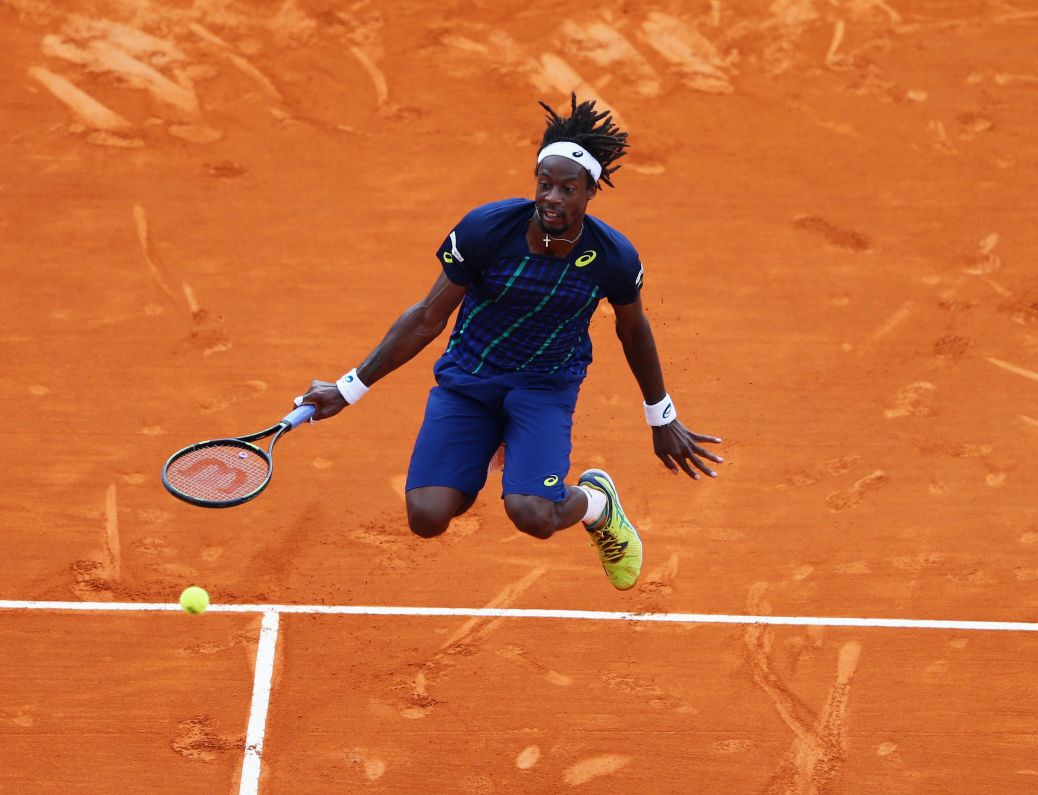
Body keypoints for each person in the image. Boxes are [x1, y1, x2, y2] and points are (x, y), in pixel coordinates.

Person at [297, 95, 723, 590]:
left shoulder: (613, 258)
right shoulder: (486, 230)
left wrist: (661, 416)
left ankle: (598, 504)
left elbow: (634, 331)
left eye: (568, 189)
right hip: (468, 379)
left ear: (590, 193)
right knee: (427, 516)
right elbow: (426, 318)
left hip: (544, 387)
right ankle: (491, 441)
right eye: (545, 185)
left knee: (533, 514)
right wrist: (348, 388)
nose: (553, 199)